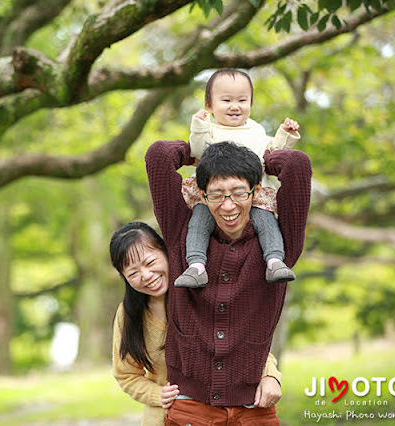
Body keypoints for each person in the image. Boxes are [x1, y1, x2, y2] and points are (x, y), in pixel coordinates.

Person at [145, 140, 311, 424]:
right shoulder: (181, 233)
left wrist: (261, 161)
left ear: (256, 191)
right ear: (201, 194)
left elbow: (297, 164)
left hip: (255, 405)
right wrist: (198, 150)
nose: (228, 205)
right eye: (217, 195)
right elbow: (158, 155)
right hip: (189, 406)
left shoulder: (280, 247)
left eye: (238, 193)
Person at [110, 221, 283, 426]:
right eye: (133, 273)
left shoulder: (202, 292)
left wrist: (271, 376)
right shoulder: (129, 315)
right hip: (166, 417)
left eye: (149, 263)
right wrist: (157, 394)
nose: (146, 276)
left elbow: (246, 346)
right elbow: (126, 374)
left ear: (166, 252)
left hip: (229, 413)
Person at [175, 69, 301, 288]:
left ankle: (274, 260)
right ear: (209, 105)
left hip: (252, 192)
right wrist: (198, 126)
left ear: (251, 103)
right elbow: (198, 150)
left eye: (242, 100)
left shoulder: (256, 130)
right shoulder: (209, 129)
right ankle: (196, 265)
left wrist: (285, 134)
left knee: (266, 220)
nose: (235, 106)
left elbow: (271, 153)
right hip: (212, 193)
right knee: (199, 222)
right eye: (226, 100)